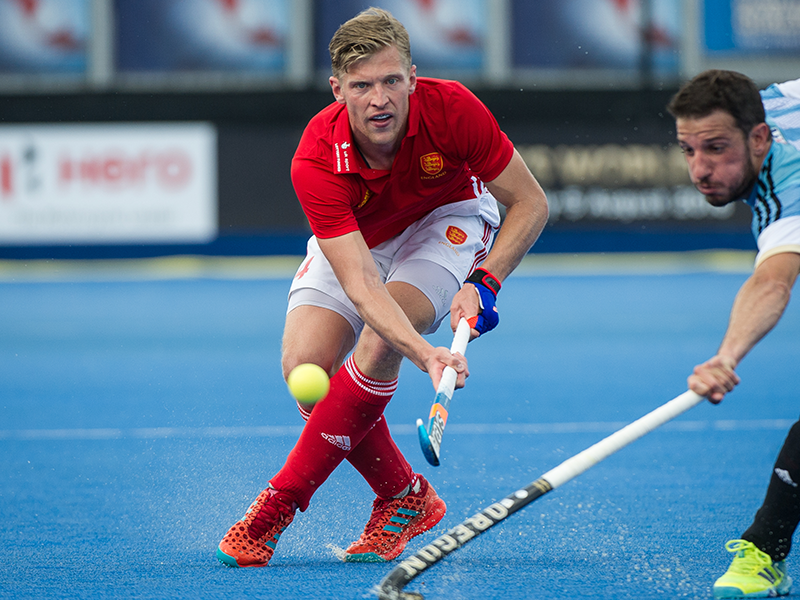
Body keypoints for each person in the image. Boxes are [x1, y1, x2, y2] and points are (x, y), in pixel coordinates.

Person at [216, 7, 548, 568]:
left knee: (378, 340)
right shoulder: (316, 158)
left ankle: (277, 506)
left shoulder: (454, 110)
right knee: (306, 372)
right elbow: (363, 284)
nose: (380, 99)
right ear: (337, 89)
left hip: (447, 218)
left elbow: (531, 202)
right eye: (362, 86)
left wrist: (486, 282)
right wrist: (426, 354)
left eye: (392, 81)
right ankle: (405, 496)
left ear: (413, 79)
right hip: (362, 242)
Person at [667, 70, 800, 599]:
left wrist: (727, 355)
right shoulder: (772, 102)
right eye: (688, 149)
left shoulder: (786, 186)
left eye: (717, 149)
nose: (700, 169)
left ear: (759, 139)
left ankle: (764, 551)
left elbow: (772, 281)